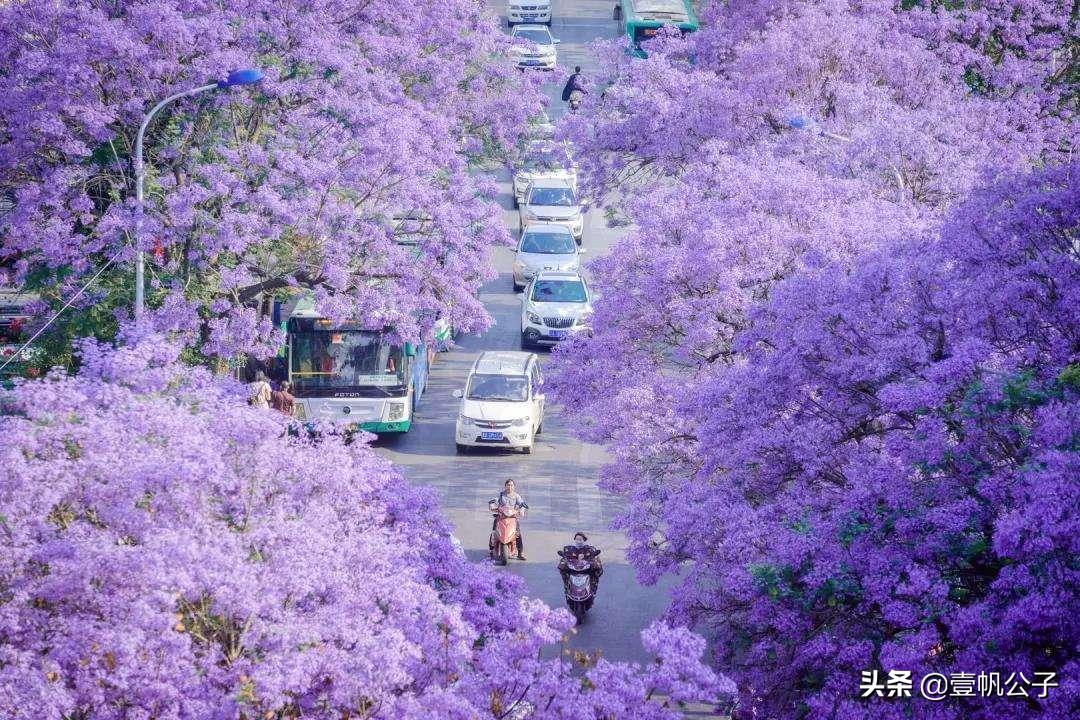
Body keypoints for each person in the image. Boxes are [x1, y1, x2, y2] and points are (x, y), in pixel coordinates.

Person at [495, 479, 528, 560]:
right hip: (501, 516)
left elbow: (522, 504)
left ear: (514, 487)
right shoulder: (501, 495)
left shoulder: (516, 496)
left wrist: (522, 510)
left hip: (512, 517)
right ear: (505, 486)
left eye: (511, 485)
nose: (510, 487)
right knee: (494, 531)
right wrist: (493, 505)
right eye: (508, 485)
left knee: (518, 534)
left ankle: (520, 553)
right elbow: (496, 501)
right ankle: (492, 549)